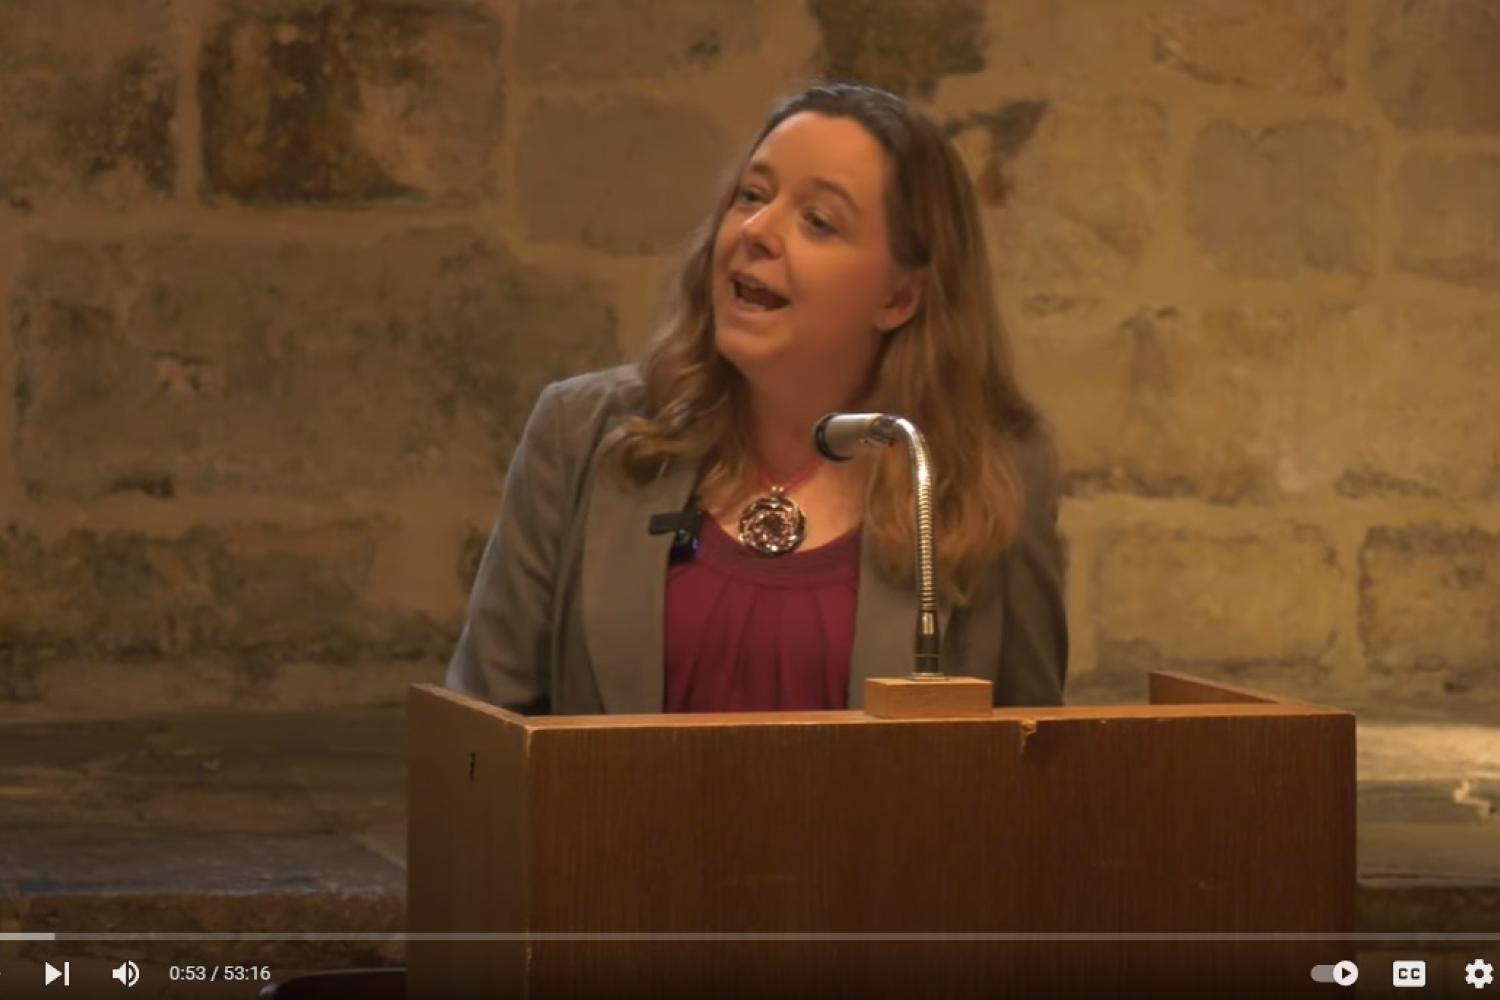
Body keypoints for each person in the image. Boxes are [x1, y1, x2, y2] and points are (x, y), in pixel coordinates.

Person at [447, 82, 1067, 714]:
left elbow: (1031, 767)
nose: (757, 230)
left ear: (898, 298)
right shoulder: (579, 433)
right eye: (752, 195)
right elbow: (479, 744)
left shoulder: (988, 474)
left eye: (817, 221)